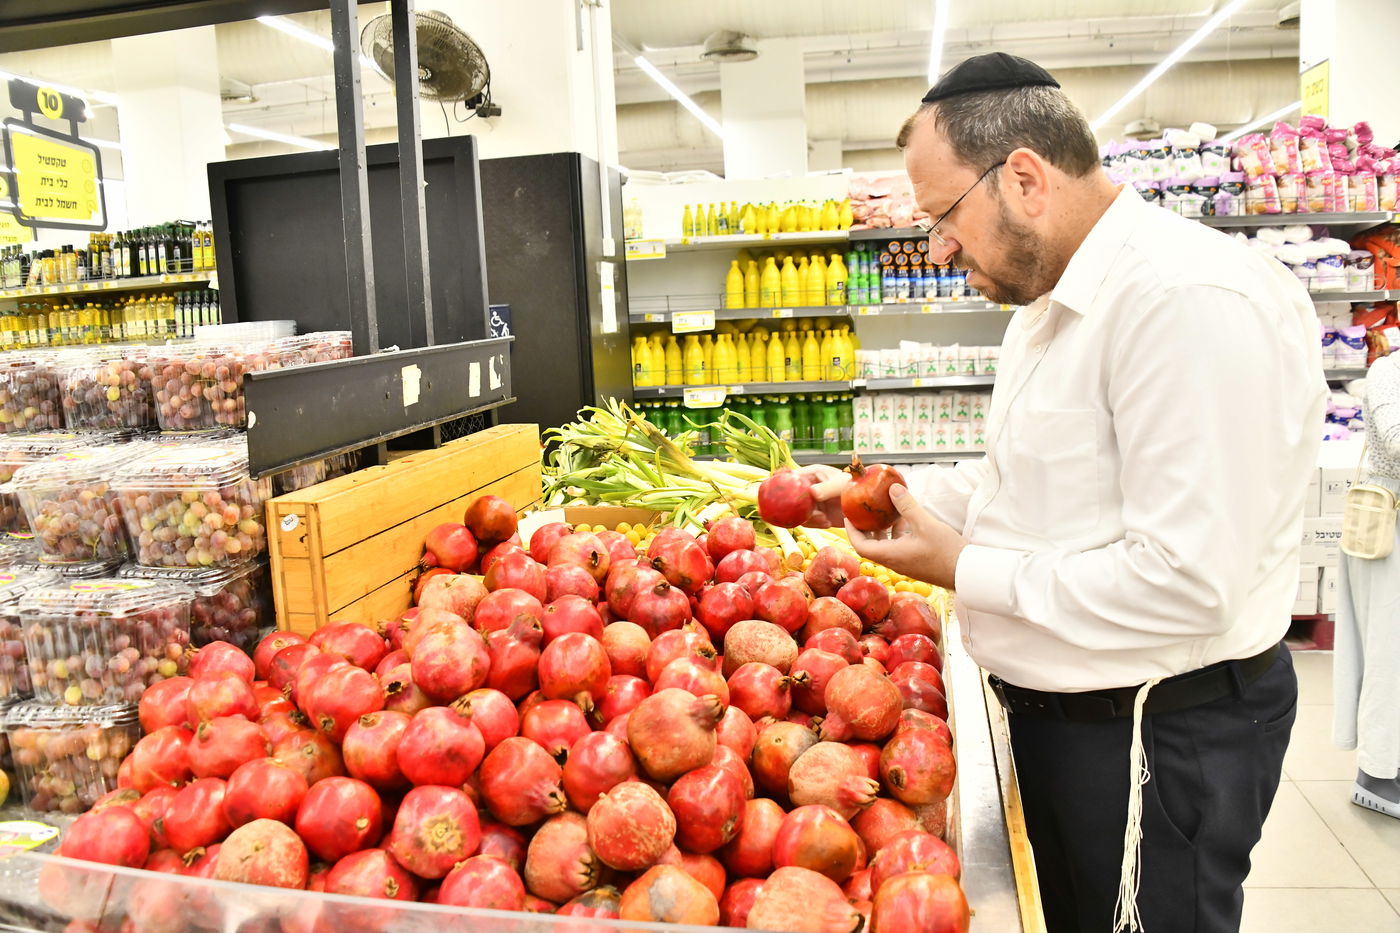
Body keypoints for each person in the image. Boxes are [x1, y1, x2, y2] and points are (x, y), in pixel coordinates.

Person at [806, 53, 1326, 933]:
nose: (937, 248)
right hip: (1075, 727)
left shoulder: (1183, 300)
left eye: (942, 217)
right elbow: (1020, 481)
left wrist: (963, 568)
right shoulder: (1050, 306)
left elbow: (1189, 579)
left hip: (1158, 737)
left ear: (1024, 178)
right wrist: (889, 496)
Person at [1335, 351, 1400, 818]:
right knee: (1387, 652)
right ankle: (1376, 774)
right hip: (1387, 531)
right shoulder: (1388, 372)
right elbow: (1396, 439)